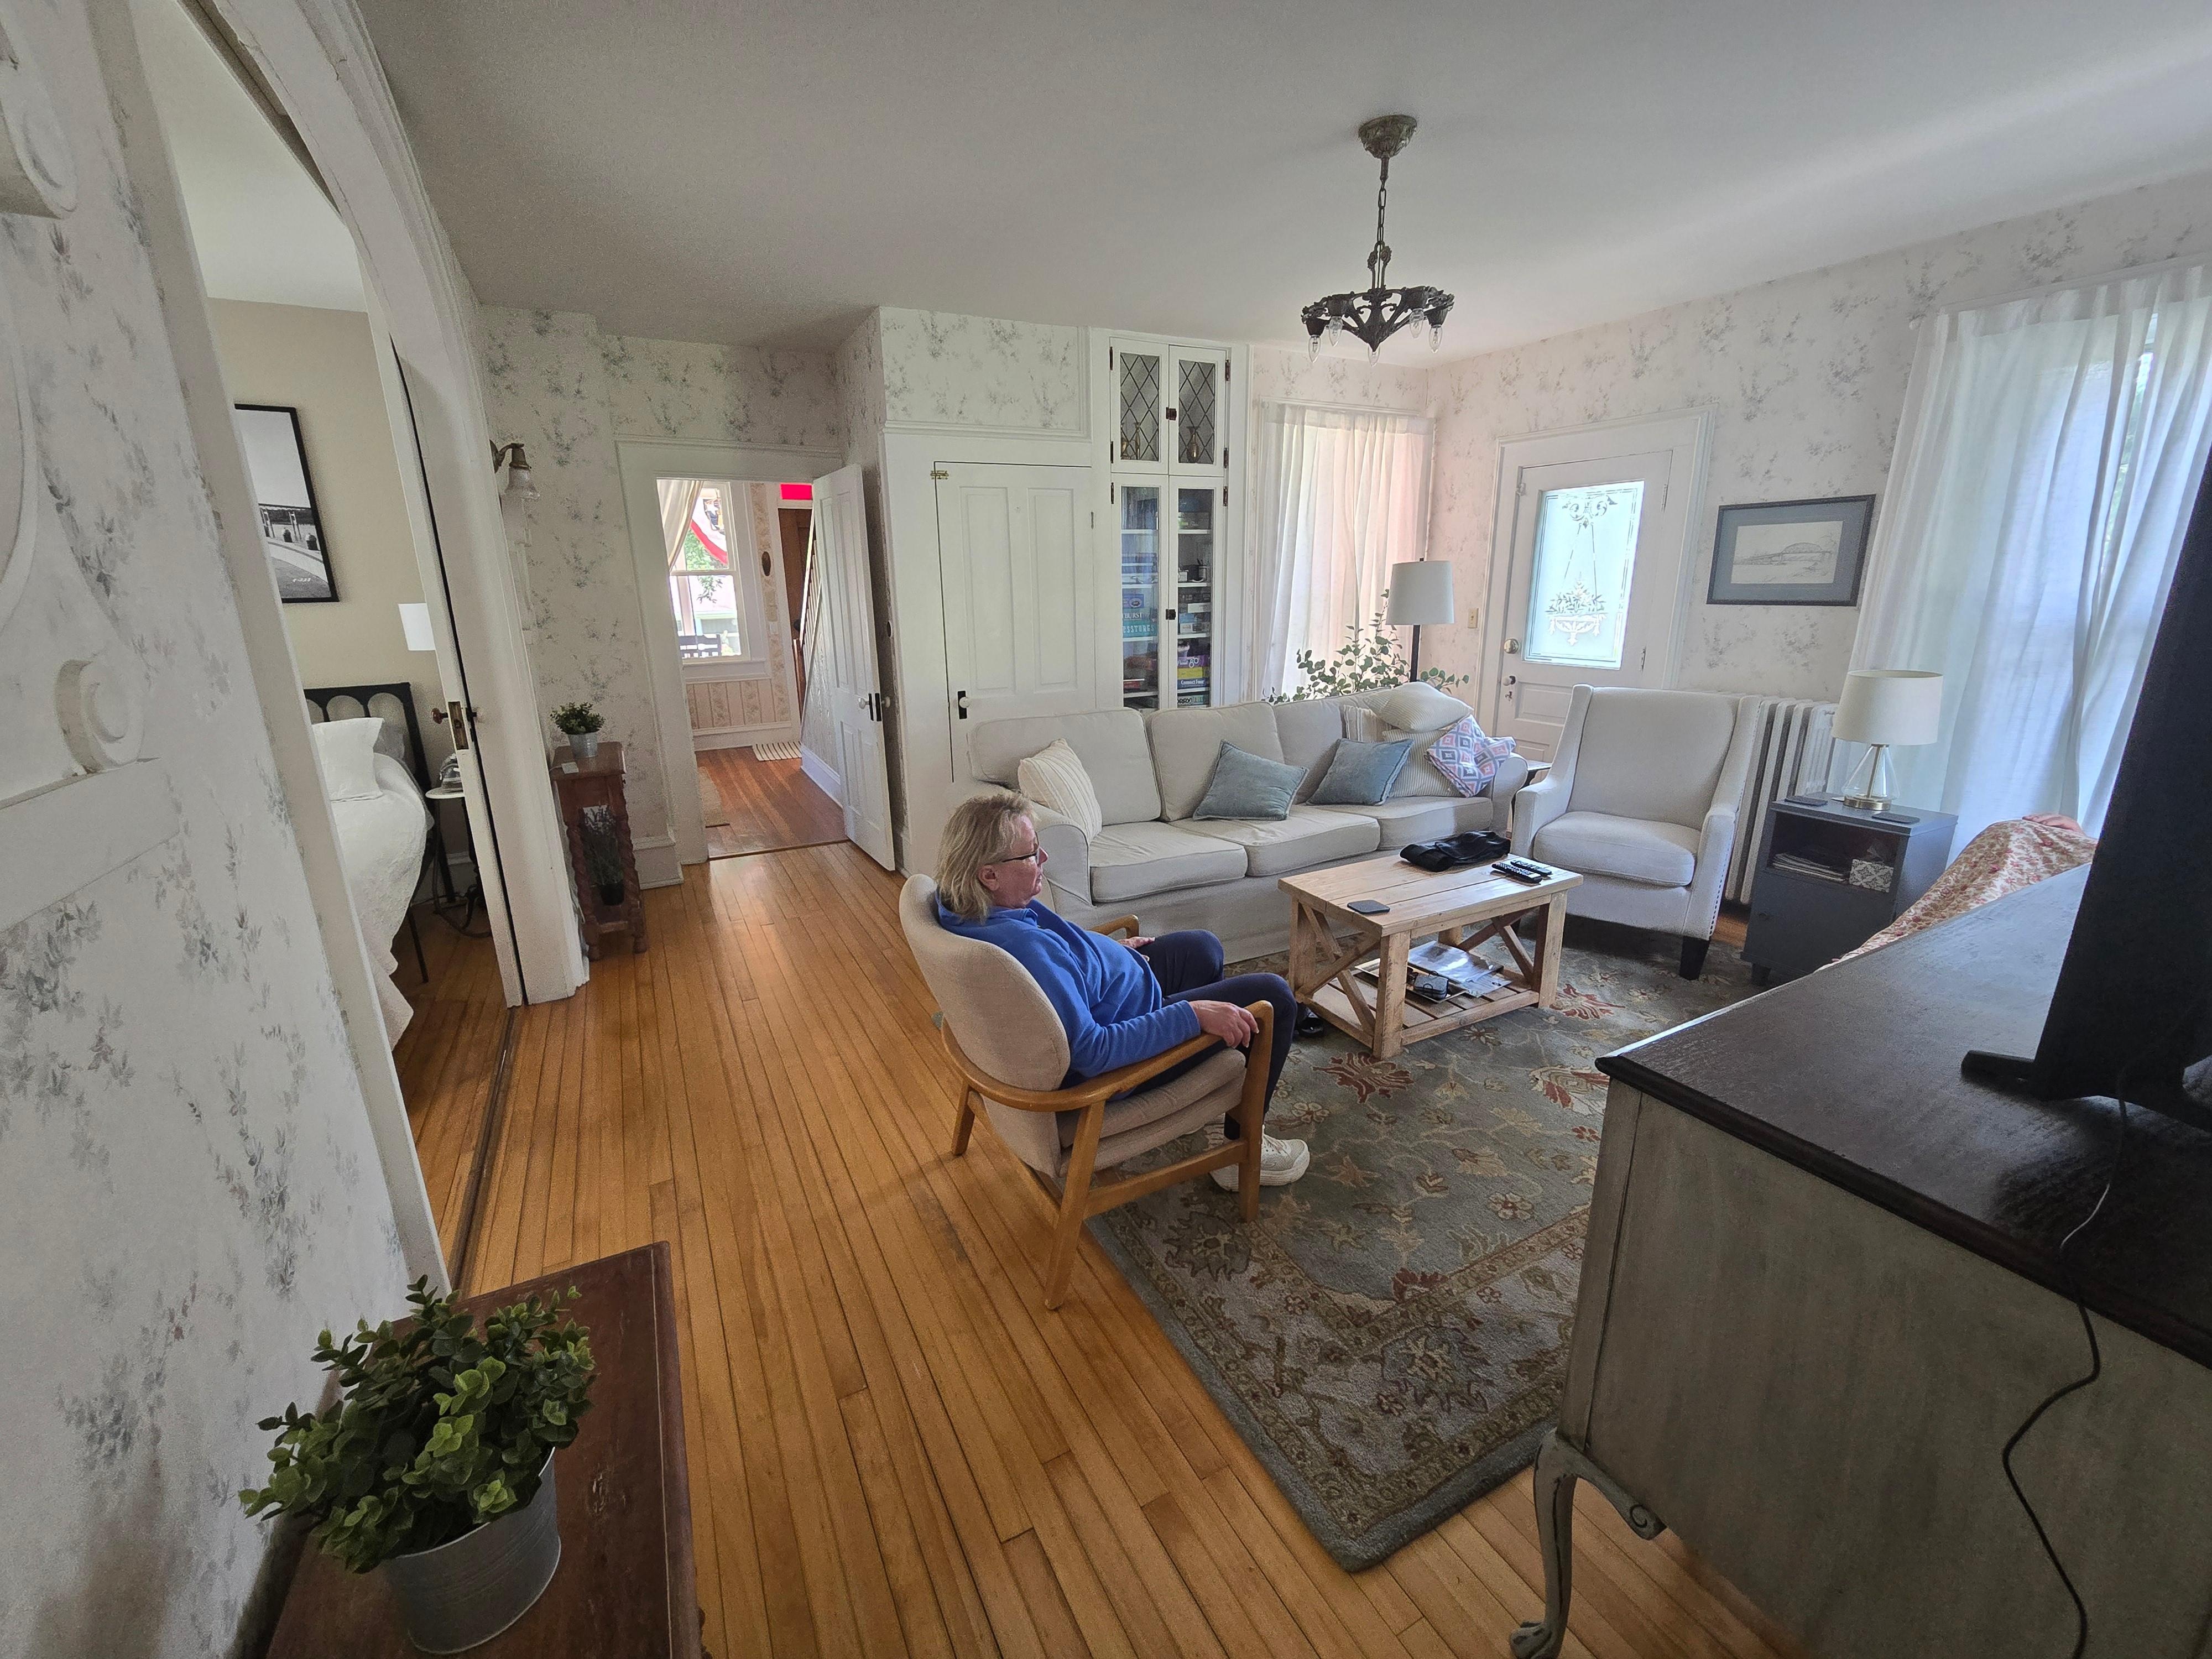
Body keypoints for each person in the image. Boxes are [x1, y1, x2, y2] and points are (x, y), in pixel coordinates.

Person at [933, 790, 1308, 1189]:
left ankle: (1200, 1098)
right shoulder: (1025, 950)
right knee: (1275, 999)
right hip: (1122, 1057)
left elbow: (1059, 950)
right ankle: (1241, 1147)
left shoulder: (966, 907)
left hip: (1117, 1000)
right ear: (988, 874)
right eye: (1031, 854)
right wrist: (1194, 1014)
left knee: (1202, 947)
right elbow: (1093, 1052)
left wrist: (1105, 952)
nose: (1044, 859)